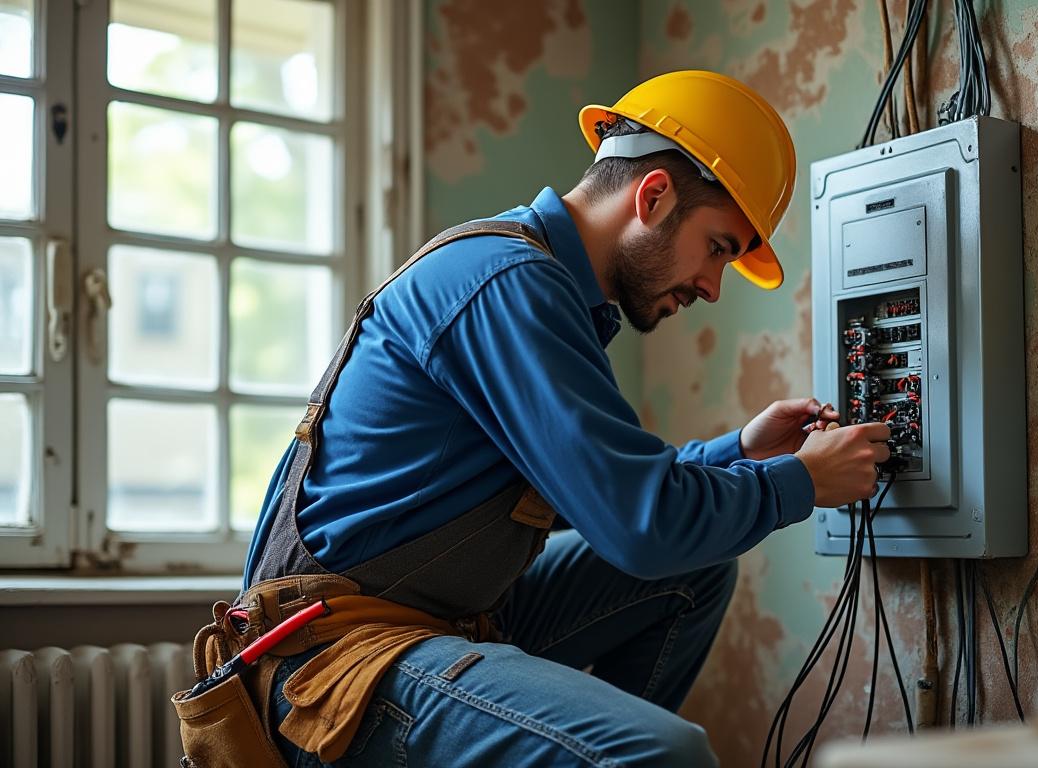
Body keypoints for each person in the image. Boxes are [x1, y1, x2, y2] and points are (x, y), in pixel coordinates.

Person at [239, 70, 890, 767]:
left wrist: (743, 452)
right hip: (329, 661)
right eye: (718, 249)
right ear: (654, 196)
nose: (710, 285)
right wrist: (798, 483)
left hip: (437, 621)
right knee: (662, 753)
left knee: (695, 571)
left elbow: (614, 492)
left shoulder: (547, 291)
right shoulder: (510, 284)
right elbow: (641, 525)